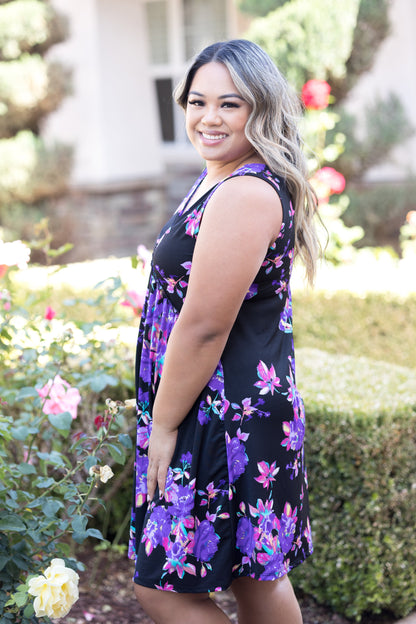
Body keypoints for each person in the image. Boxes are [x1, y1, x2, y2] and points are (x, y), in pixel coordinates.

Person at [128, 39, 319, 624]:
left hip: (223, 416)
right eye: (197, 101)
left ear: (260, 110)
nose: (209, 118)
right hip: (226, 407)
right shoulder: (221, 179)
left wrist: (163, 426)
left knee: (161, 589)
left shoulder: (242, 192)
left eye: (229, 105)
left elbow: (206, 328)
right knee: (255, 579)